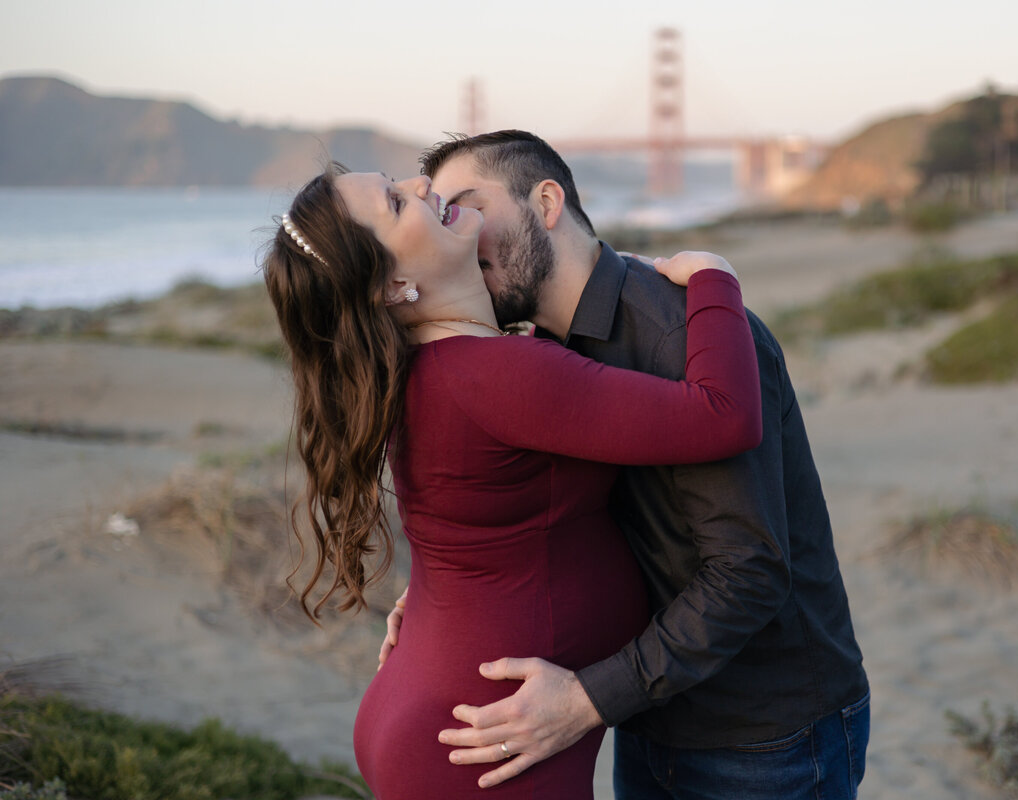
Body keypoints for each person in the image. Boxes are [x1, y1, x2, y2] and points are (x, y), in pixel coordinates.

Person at [380, 131, 870, 800]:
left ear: (546, 202)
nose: (461, 231)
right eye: (444, 217)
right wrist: (442, 592)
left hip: (762, 734)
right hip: (647, 717)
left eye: (468, 205)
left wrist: (586, 700)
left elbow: (749, 570)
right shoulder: (534, 356)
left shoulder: (686, 334)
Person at [262, 162, 764, 800]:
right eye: (394, 203)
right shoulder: (497, 375)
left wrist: (429, 601)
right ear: (392, 286)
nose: (422, 186)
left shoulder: (426, 370)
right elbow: (726, 415)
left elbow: (460, 515)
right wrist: (717, 278)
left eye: (399, 179)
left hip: (436, 709)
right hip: (479, 746)